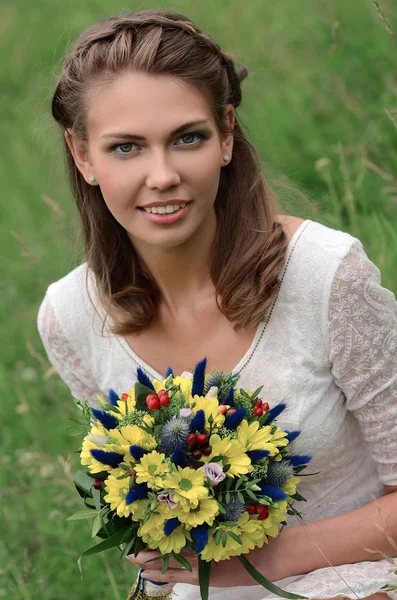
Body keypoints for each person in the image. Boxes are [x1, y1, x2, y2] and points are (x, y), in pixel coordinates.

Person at [37, 8, 397, 600]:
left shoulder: (326, 276)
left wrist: (260, 562)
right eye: (126, 147)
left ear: (226, 134)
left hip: (353, 579)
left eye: (188, 138)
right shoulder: (70, 316)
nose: (162, 175)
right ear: (82, 156)